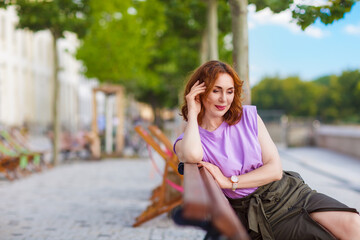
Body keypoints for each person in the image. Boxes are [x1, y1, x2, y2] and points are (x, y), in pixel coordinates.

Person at [173, 60, 360, 240]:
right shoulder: (192, 139)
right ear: (200, 92)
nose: (224, 99)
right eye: (216, 91)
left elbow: (275, 170)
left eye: (230, 91)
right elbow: (191, 155)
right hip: (260, 213)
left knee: (353, 223)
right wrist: (192, 110)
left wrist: (229, 182)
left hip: (287, 191)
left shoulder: (248, 117)